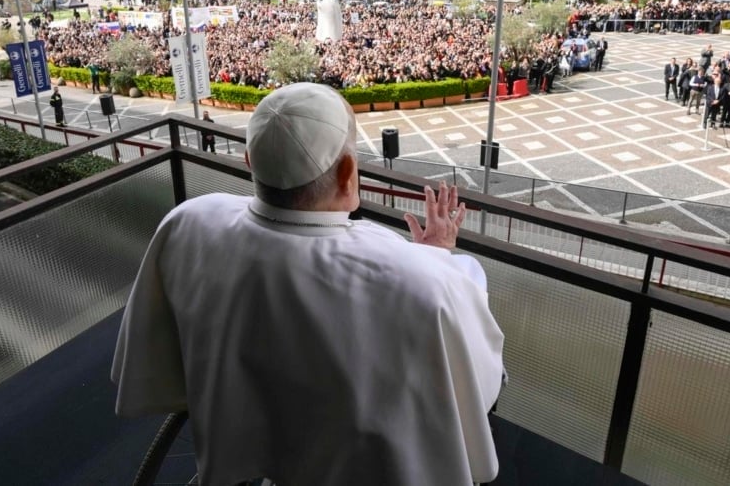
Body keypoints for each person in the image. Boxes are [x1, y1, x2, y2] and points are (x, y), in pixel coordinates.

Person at [112, 82, 505, 486]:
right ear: (348, 174)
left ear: (250, 160)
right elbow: (479, 383)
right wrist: (438, 253)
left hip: (239, 461)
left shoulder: (190, 220)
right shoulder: (420, 279)